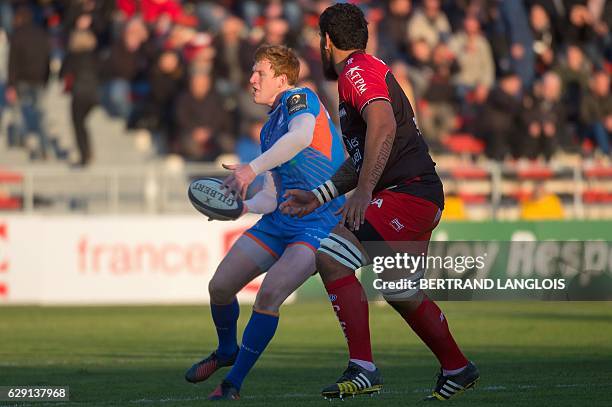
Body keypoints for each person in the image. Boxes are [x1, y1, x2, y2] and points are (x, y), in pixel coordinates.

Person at [280, 3, 479, 401]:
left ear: (326, 41)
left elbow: (384, 127)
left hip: (406, 192)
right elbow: (363, 155)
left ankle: (363, 367)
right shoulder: (363, 71)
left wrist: (366, 193)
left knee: (331, 258)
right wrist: (320, 195)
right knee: (399, 289)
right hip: (417, 191)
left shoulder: (356, 71)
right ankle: (458, 367)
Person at [184, 45, 346, 400]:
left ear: (282, 79)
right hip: (279, 220)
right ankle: (227, 350)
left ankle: (233, 383)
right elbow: (272, 195)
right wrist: (242, 208)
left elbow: (302, 136)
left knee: (270, 294)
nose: (252, 79)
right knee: (220, 287)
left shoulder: (299, 97)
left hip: (319, 222)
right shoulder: (269, 129)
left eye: (260, 73)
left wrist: (250, 168)